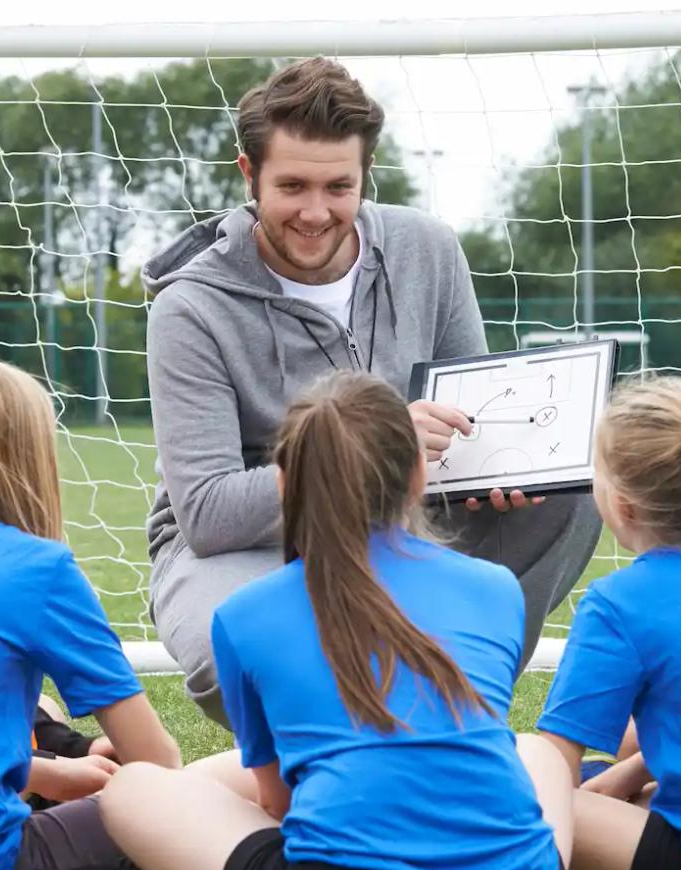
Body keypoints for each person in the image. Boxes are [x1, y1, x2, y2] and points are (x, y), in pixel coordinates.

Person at [144, 56, 602, 726]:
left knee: (572, 488)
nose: (314, 211)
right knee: (231, 646)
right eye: (292, 185)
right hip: (258, 542)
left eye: (338, 186)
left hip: (405, 516)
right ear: (249, 174)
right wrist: (361, 451)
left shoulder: (429, 249)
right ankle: (323, 768)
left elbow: (466, 420)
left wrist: (501, 467)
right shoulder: (190, 307)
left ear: (364, 176)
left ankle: (461, 707)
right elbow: (209, 514)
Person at [101, 372, 572, 870]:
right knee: (536, 753)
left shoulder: (244, 615)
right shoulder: (495, 588)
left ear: (286, 485)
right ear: (419, 475)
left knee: (134, 790)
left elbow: (277, 803)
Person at [0, 356, 181, 870]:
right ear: (26, 458)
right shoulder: (37, 569)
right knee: (214, 790)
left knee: (37, 712)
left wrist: (53, 774)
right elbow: (157, 762)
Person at [536, 376, 681, 870]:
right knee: (611, 773)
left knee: (521, 768)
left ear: (623, 507)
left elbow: (554, 762)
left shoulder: (620, 602)